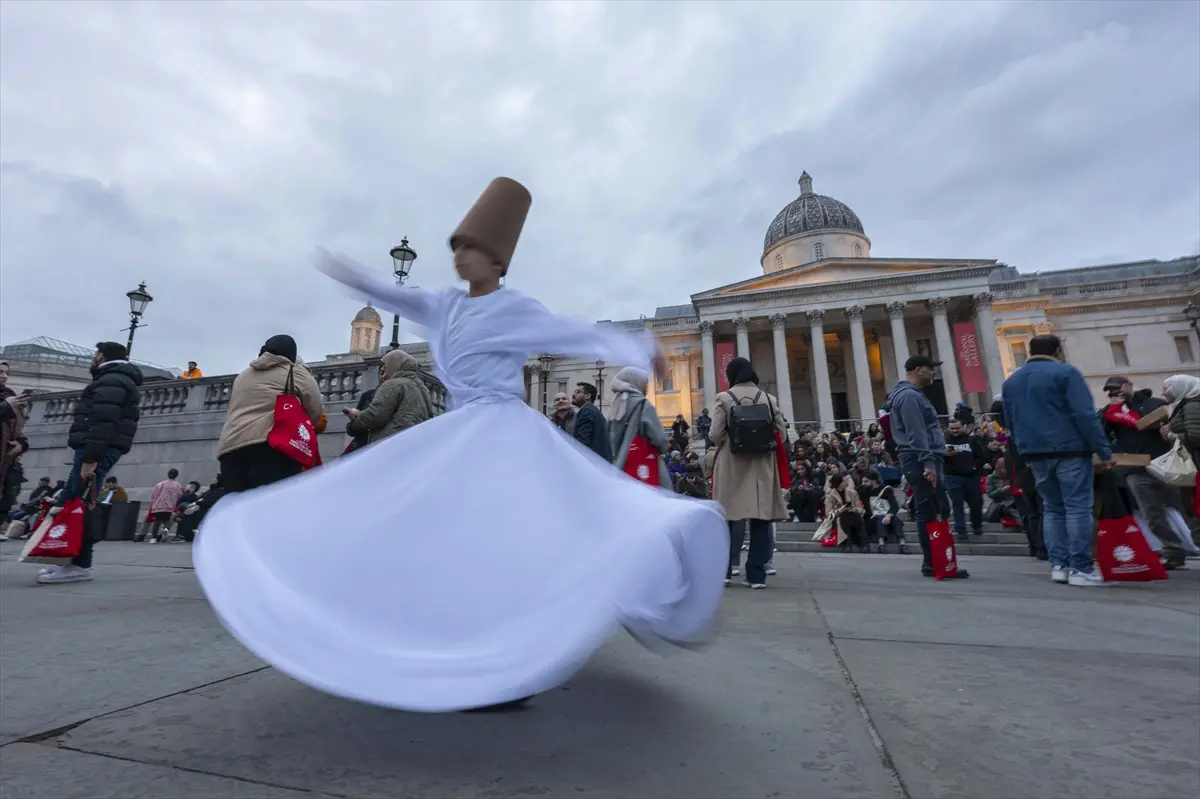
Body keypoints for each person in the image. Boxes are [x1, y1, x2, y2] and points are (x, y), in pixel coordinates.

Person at [194, 176, 726, 713]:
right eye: (457, 248)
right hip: (462, 427)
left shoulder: (514, 307)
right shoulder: (446, 306)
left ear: (497, 262)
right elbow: (395, 295)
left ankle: (515, 645)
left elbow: (572, 332)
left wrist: (637, 345)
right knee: (451, 529)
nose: (460, 258)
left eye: (470, 249)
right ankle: (460, 637)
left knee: (520, 530)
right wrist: (351, 274)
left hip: (503, 431)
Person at [1002, 334, 1113, 587]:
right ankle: (1081, 568)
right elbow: (1085, 415)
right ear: (1057, 350)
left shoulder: (1011, 382)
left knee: (1052, 509)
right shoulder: (1066, 373)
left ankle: (1059, 565)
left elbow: (1011, 421)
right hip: (1070, 448)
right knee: (1077, 507)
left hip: (1035, 453)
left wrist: (1024, 450)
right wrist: (1104, 451)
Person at [37, 342, 143, 585]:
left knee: (78, 503)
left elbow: (103, 421)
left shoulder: (112, 380)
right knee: (76, 502)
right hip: (99, 447)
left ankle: (80, 564)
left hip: (95, 449)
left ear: (102, 356)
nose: (93, 358)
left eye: (96, 354)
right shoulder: (116, 379)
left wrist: (90, 459)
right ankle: (72, 560)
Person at [886, 355, 969, 579]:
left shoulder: (912, 395)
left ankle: (935, 560)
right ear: (916, 369)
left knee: (935, 508)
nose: (934, 372)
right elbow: (917, 433)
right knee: (930, 509)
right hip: (920, 458)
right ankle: (933, 562)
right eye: (930, 368)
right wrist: (929, 463)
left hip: (921, 457)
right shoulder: (910, 397)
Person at [709, 356, 788, 589]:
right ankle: (756, 576)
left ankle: (724, 571)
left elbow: (714, 434)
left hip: (732, 463)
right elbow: (781, 434)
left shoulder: (723, 398)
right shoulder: (768, 398)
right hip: (761, 465)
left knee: (728, 517)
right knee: (760, 519)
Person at [216, 335, 324, 493]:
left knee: (239, 508)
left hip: (231, 449)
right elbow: (315, 410)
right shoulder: (295, 372)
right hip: (271, 447)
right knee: (271, 506)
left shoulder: (243, 375)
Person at [345, 349, 433, 445]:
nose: (383, 376)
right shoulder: (422, 388)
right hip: (415, 442)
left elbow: (375, 416)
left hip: (391, 442)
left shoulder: (392, 384)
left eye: (385, 368)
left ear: (393, 365)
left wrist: (355, 416)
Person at [606, 367, 672, 490]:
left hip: (619, 469)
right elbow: (660, 439)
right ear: (634, 381)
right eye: (644, 381)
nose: (646, 386)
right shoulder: (643, 405)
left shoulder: (614, 405)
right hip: (644, 467)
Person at [943, 418, 986, 541]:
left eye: (957, 428)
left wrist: (974, 467)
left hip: (971, 477)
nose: (955, 430)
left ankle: (977, 525)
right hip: (952, 477)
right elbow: (942, 458)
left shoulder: (971, 440)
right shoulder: (946, 441)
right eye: (952, 428)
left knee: (976, 503)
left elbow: (981, 456)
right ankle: (960, 528)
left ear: (963, 427)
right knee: (957, 503)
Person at [571, 381, 611, 460]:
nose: (573, 395)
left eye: (578, 392)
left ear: (587, 396)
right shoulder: (594, 411)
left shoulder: (586, 412)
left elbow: (582, 444)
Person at [145, 468, 185, 543]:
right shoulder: (177, 485)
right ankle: (165, 530)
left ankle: (154, 538)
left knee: (157, 521)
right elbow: (180, 495)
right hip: (169, 506)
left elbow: (154, 493)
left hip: (159, 506)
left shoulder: (161, 483)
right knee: (167, 520)